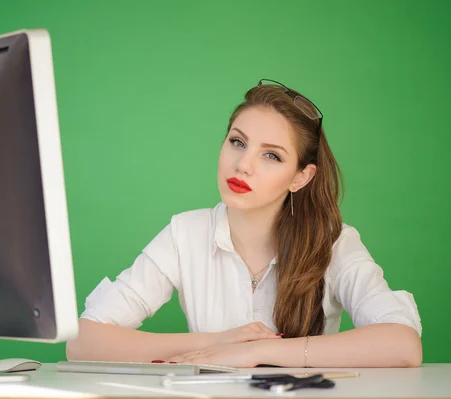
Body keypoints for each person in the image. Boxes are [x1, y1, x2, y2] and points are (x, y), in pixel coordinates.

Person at [65, 79, 423, 368]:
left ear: (301, 177)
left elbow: (403, 343)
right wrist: (218, 342)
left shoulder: (333, 243)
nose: (243, 165)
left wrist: (256, 352)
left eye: (271, 155)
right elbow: (82, 341)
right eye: (238, 142)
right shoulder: (184, 234)